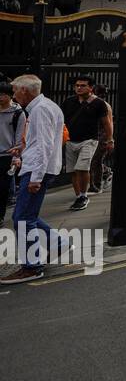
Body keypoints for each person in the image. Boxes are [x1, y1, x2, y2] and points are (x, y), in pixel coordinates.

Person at [2, 74, 64, 283]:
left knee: (21, 219)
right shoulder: (44, 106)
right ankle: (57, 244)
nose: (14, 94)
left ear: (25, 91)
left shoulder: (40, 110)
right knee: (28, 215)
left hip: (37, 171)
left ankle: (32, 266)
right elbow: (41, 141)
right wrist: (21, 149)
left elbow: (44, 146)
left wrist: (36, 177)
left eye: (16, 90)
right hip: (38, 167)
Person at [62, 74, 113, 212]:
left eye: (83, 85)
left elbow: (106, 123)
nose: (79, 88)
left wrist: (110, 139)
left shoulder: (99, 103)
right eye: (77, 85)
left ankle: (84, 195)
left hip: (89, 139)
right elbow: (62, 121)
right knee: (72, 170)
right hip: (70, 140)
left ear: (91, 88)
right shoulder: (69, 102)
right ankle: (78, 196)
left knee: (82, 167)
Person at [0, 81, 26, 225]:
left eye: (3, 94)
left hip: (6, 154)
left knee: (2, 188)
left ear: (10, 96)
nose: (0, 98)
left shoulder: (17, 113)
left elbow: (19, 135)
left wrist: (17, 156)